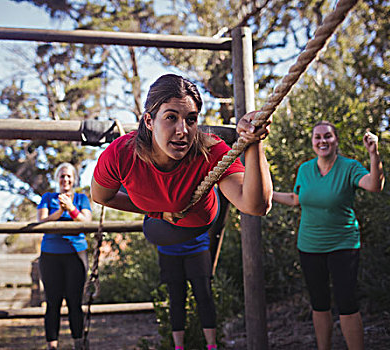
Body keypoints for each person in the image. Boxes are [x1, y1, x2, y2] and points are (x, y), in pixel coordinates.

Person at [91, 74, 273, 350]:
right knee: (173, 287)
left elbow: (256, 206)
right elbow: (100, 195)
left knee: (202, 290)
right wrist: (157, 212)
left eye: (191, 119)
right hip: (161, 227)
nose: (183, 130)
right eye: (171, 117)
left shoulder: (211, 150)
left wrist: (253, 144)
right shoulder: (121, 154)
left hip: (200, 221)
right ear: (149, 121)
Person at [272, 121, 384, 350]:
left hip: (343, 244)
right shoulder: (305, 169)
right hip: (309, 246)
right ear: (313, 142)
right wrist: (267, 193)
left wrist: (374, 154)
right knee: (319, 303)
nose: (322, 141)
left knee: (347, 303)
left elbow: (374, 185)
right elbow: (295, 199)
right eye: (317, 137)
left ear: (336, 140)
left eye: (327, 136)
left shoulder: (349, 167)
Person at [37, 162, 93, 350]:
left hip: (76, 254)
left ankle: (79, 343)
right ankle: (52, 345)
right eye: (62, 176)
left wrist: (71, 208)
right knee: (52, 302)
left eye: (69, 176)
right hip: (50, 255)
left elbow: (86, 222)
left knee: (74, 301)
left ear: (74, 179)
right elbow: (41, 221)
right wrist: (60, 211)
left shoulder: (81, 198)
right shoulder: (48, 197)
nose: (65, 179)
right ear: (57, 179)